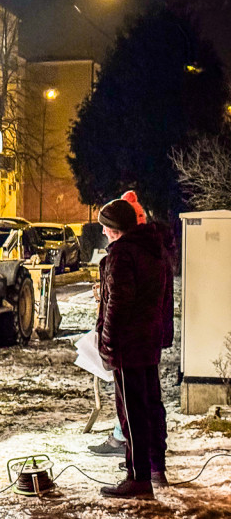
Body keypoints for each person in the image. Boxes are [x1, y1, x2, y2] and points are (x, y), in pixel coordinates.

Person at [96, 198, 170, 499]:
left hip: (128, 344)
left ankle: (138, 478)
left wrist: (108, 343)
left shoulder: (122, 255)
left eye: (104, 226)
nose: (102, 231)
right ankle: (150, 469)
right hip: (148, 341)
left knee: (132, 411)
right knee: (148, 405)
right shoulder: (153, 251)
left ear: (114, 228)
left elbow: (119, 303)